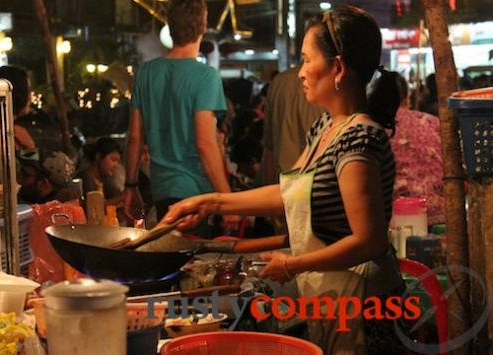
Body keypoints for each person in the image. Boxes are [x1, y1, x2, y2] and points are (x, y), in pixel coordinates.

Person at [160, 6, 406, 354]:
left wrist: (292, 264)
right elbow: (289, 194)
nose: (301, 72)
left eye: (307, 60)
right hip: (329, 298)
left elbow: (369, 241)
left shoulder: (360, 139)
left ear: (338, 68)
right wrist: (210, 201)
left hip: (363, 307)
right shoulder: (326, 127)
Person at [124, 0, 238, 236]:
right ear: (204, 26)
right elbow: (206, 144)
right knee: (194, 267)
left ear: (170, 27)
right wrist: (228, 201)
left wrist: (130, 186)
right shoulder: (206, 77)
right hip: (194, 192)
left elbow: (134, 138)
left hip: (161, 190)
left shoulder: (146, 73)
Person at [391, 74, 445, 224]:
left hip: (394, 223)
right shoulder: (433, 122)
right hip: (444, 218)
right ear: (407, 97)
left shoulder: (370, 128)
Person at [262, 66, 323, 184]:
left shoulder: (279, 82)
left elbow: (269, 148)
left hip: (283, 181)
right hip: (317, 183)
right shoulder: (331, 84)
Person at [75, 137, 123, 205]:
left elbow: (116, 194)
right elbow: (96, 207)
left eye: (118, 162)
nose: (116, 165)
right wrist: (123, 196)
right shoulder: (85, 179)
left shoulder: (104, 179)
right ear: (98, 156)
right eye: (113, 159)